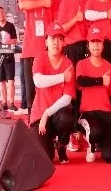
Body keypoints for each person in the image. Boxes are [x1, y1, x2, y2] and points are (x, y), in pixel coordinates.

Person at [30, 22, 75, 163]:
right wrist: (62, 77)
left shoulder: (68, 64)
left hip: (56, 114)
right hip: (38, 115)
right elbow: (38, 81)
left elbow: (67, 98)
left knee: (67, 117)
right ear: (46, 42)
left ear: (63, 43)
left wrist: (47, 113)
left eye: (59, 39)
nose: (56, 43)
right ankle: (48, 141)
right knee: (46, 158)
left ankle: (61, 145)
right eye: (52, 38)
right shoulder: (40, 58)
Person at [77, 25, 111, 163]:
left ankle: (101, 141)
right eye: (93, 42)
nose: (96, 45)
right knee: (94, 133)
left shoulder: (109, 67)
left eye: (98, 42)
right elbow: (81, 81)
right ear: (88, 45)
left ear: (103, 45)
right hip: (89, 112)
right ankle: (91, 145)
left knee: (110, 158)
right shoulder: (82, 64)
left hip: (106, 114)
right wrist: (100, 80)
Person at [57, 0, 88, 152]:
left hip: (85, 48)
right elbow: (60, 29)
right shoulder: (65, 3)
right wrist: (75, 19)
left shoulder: (86, 3)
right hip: (70, 49)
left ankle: (81, 132)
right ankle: (71, 133)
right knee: (71, 89)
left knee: (84, 89)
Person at [18, 0, 51, 119]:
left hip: (47, 52)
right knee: (31, 93)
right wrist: (43, 3)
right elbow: (23, 4)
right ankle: (32, 124)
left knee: (46, 93)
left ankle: (47, 127)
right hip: (29, 51)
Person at [0, 6, 17, 111]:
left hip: (9, 57)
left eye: (2, 12)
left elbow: (14, 40)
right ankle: (4, 103)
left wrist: (5, 43)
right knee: (1, 81)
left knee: (10, 81)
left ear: (4, 14)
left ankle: (12, 103)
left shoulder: (10, 26)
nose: (1, 15)